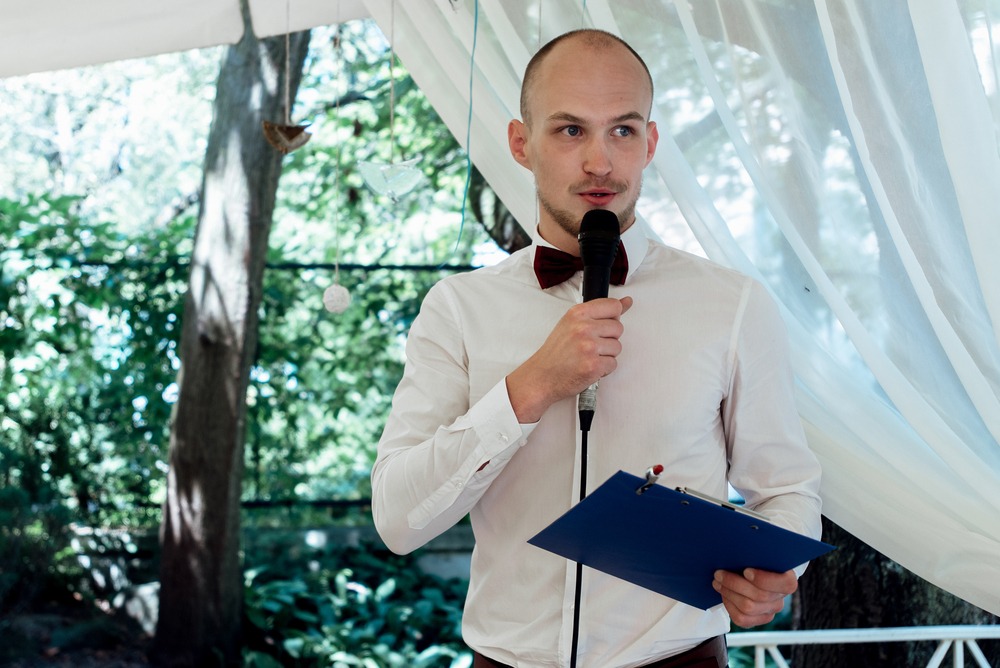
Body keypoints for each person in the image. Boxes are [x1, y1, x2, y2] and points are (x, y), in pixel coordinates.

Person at [371, 28, 822, 668]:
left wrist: (774, 573)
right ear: (521, 144)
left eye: (623, 131)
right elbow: (398, 519)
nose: (600, 162)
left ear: (650, 144)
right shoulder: (457, 308)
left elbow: (789, 490)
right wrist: (530, 387)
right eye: (570, 130)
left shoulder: (733, 305)